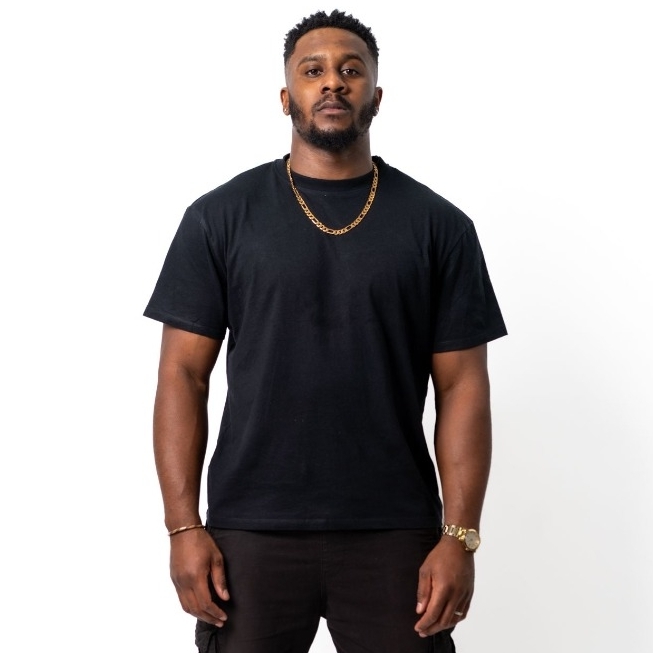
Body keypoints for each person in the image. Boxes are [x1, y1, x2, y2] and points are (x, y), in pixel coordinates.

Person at [144, 9, 507, 653]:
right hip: (249, 531)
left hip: (394, 530)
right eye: (312, 71)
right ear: (287, 97)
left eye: (350, 70)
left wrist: (460, 538)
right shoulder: (219, 218)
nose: (333, 82)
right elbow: (182, 374)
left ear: (376, 96)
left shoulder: (439, 226)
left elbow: (463, 388)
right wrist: (182, 527)